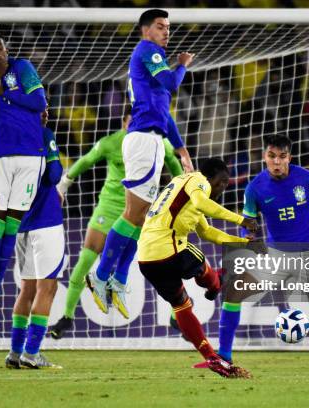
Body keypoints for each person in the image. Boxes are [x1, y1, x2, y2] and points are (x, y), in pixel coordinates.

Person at [198, 134, 309, 369]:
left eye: (281, 157)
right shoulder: (254, 188)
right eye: (271, 156)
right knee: (234, 292)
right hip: (275, 257)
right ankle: (224, 356)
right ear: (265, 157)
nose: (276, 162)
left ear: (289, 158)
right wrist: (249, 242)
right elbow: (248, 226)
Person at [89, 9, 195, 315]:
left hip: (153, 140)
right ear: (145, 29)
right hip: (142, 141)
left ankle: (117, 278)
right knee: (133, 214)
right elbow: (173, 84)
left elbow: (164, 110)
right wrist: (183, 65)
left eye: (168, 27)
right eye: (161, 27)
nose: (166, 32)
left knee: (142, 218)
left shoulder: (153, 62)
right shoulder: (148, 51)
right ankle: (99, 275)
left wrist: (180, 149)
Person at [50, 107, 183, 336]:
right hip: (110, 205)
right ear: (124, 123)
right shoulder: (112, 142)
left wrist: (182, 190)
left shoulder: (158, 141)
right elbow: (86, 160)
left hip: (141, 207)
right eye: (131, 121)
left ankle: (176, 313)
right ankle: (67, 316)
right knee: (88, 255)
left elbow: (173, 163)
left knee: (162, 256)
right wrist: (65, 182)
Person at [138, 158, 258, 378]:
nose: (223, 188)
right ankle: (215, 285)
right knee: (202, 265)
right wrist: (241, 220)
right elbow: (203, 203)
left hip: (147, 258)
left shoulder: (186, 188)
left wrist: (242, 243)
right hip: (170, 249)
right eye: (222, 182)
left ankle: (211, 358)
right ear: (212, 177)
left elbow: (208, 233)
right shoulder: (199, 181)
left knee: (181, 305)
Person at [0, 31, 47, 325]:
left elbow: (39, 102)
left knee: (10, 230)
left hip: (30, 156)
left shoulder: (24, 67)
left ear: (6, 50)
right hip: (0, 157)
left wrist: (5, 92)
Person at [5, 108, 63, 369]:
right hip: (46, 222)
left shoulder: (8, 140)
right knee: (47, 288)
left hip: (22, 224)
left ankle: (15, 353)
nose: (46, 112)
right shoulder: (43, 134)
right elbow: (54, 175)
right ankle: (32, 352)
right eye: (40, 108)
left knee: (26, 289)